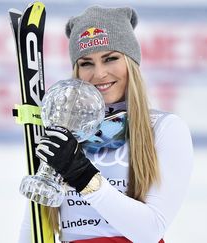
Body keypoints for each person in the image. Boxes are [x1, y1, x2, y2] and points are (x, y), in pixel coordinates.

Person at [18, 5, 193, 243]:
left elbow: (151, 230)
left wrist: (83, 176)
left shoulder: (164, 128)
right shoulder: (67, 133)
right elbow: (35, 224)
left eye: (110, 59)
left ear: (131, 63)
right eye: (86, 63)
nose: (99, 73)